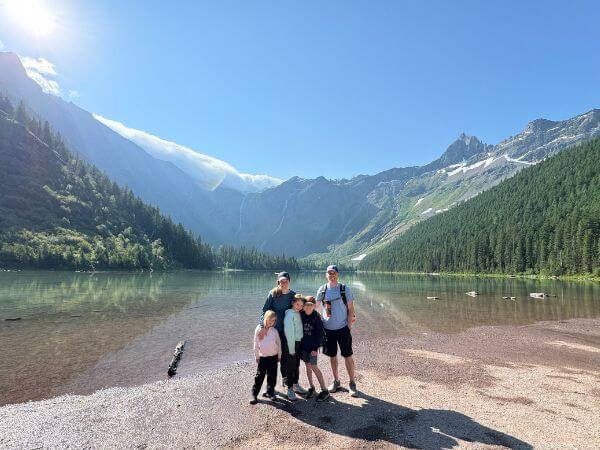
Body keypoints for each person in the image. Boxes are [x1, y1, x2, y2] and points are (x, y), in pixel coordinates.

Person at [316, 264, 359, 397]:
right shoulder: (322, 290)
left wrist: (349, 326)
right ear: (326, 275)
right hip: (328, 330)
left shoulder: (344, 289)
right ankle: (336, 381)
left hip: (343, 329)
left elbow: (351, 308)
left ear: (337, 274)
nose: (332, 275)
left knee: (347, 356)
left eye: (334, 273)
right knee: (332, 357)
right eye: (329, 273)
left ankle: (352, 383)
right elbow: (315, 308)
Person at [258, 272, 295, 389]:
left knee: (284, 356)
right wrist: (263, 326)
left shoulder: (293, 295)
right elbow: (264, 310)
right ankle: (269, 383)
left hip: (286, 331)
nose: (283, 283)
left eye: (285, 281)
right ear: (278, 282)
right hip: (272, 330)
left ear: (289, 281)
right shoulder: (273, 294)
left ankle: (284, 378)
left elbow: (301, 308)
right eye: (281, 281)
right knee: (271, 356)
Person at [300, 295, 330, 402]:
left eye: (311, 305)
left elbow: (320, 335)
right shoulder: (301, 314)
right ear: (303, 306)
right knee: (307, 366)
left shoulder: (316, 317)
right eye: (306, 305)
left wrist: (315, 348)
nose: (308, 307)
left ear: (314, 306)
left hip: (313, 348)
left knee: (314, 366)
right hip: (303, 347)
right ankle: (311, 387)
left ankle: (324, 390)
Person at [250, 310, 281, 404]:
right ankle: (254, 394)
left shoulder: (274, 331)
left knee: (272, 376)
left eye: (274, 321)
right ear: (265, 318)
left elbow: (279, 344)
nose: (272, 322)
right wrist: (256, 356)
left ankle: (270, 392)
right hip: (262, 357)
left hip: (273, 357)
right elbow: (255, 343)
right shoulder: (259, 329)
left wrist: (279, 355)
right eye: (270, 320)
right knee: (259, 376)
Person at [283, 294, 306, 401]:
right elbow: (289, 333)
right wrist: (291, 349)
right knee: (290, 367)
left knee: (296, 365)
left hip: (298, 343)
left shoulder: (298, 313)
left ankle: (296, 384)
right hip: (291, 344)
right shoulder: (290, 315)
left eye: (301, 305)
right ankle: (290, 388)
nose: (299, 306)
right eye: (297, 304)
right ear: (292, 303)